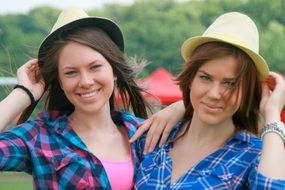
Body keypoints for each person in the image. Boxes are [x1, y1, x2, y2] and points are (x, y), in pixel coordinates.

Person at [0, 7, 183, 189]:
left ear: (114, 71)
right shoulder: (39, 137)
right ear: (61, 82)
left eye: (95, 67)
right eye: (71, 72)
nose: (86, 81)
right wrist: (23, 92)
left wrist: (181, 106)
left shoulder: (146, 134)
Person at [135, 12, 285, 189]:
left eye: (230, 83)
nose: (215, 94)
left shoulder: (256, 155)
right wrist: (181, 106)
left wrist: (273, 114)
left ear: (247, 91)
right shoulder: (155, 136)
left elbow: (270, 186)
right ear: (190, 79)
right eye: (205, 78)